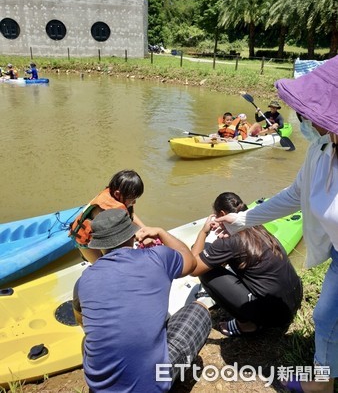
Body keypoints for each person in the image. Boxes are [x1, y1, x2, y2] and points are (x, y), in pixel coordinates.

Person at [214, 56, 338, 393]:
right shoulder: (320, 149)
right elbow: (294, 195)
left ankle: (320, 386)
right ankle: (323, 379)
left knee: (327, 320)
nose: (303, 119)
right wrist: (241, 220)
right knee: (327, 319)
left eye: (307, 113)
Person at [73, 208, 211, 393]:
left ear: (98, 245)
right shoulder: (158, 257)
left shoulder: (83, 281)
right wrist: (161, 232)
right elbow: (190, 262)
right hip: (150, 386)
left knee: (87, 340)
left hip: (100, 388)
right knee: (199, 311)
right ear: (133, 233)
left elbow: (82, 321)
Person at [189, 192, 302, 336]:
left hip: (275, 317)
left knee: (204, 270)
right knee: (209, 254)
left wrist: (203, 232)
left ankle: (247, 325)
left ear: (222, 214)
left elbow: (193, 268)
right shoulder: (257, 226)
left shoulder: (228, 242)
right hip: (293, 300)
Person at [70, 169, 147, 264]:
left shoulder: (119, 199)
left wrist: (145, 229)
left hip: (101, 234)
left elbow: (130, 215)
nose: (134, 202)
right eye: (132, 199)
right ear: (117, 194)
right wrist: (137, 235)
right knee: (102, 265)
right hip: (87, 239)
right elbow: (109, 241)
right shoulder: (108, 213)